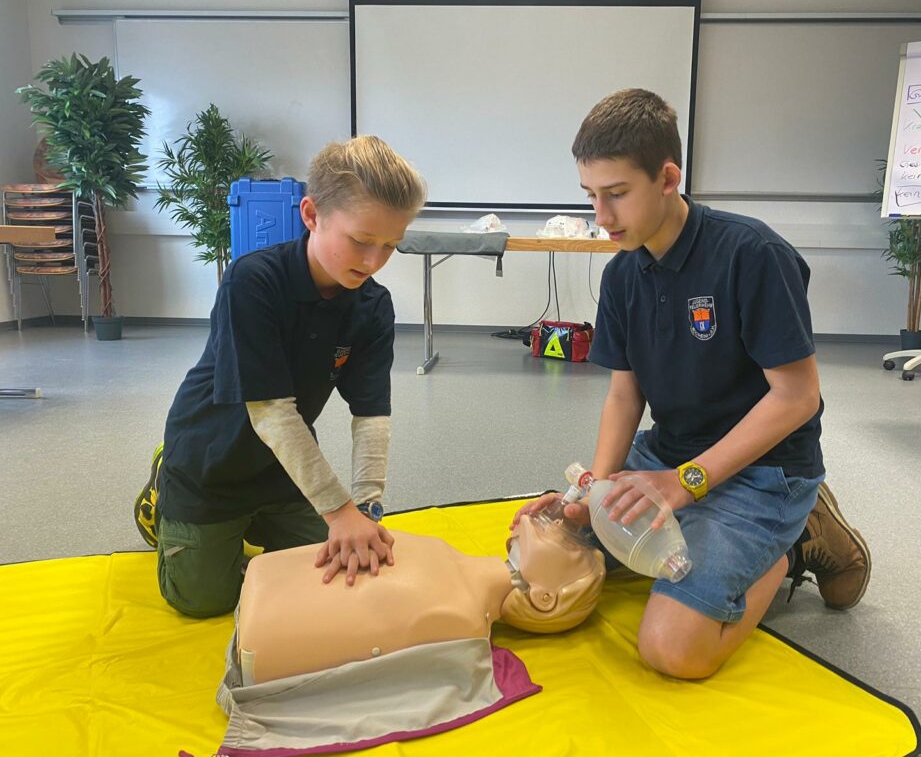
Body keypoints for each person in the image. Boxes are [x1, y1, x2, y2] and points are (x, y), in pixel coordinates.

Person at [515, 88, 871, 680]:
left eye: (616, 194)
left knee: (674, 652)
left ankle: (792, 543)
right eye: (591, 196)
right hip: (672, 454)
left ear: (668, 177)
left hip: (764, 471)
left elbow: (798, 397)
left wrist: (686, 484)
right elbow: (625, 395)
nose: (601, 218)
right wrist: (591, 495)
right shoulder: (624, 272)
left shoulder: (751, 254)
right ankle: (722, 528)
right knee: (553, 552)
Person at [134, 136, 427, 618]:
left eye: (391, 246)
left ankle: (258, 525)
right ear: (311, 215)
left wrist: (366, 509)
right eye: (360, 241)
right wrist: (337, 512)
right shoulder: (254, 281)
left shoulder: (373, 306)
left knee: (335, 571)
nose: (374, 262)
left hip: (280, 469)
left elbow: (371, 413)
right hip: (210, 463)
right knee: (205, 600)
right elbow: (270, 413)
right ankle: (163, 490)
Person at [233, 512, 605, 683]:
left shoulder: (463, 618)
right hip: (269, 586)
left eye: (572, 548)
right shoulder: (451, 558)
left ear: (543, 599)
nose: (563, 524)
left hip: (266, 629)